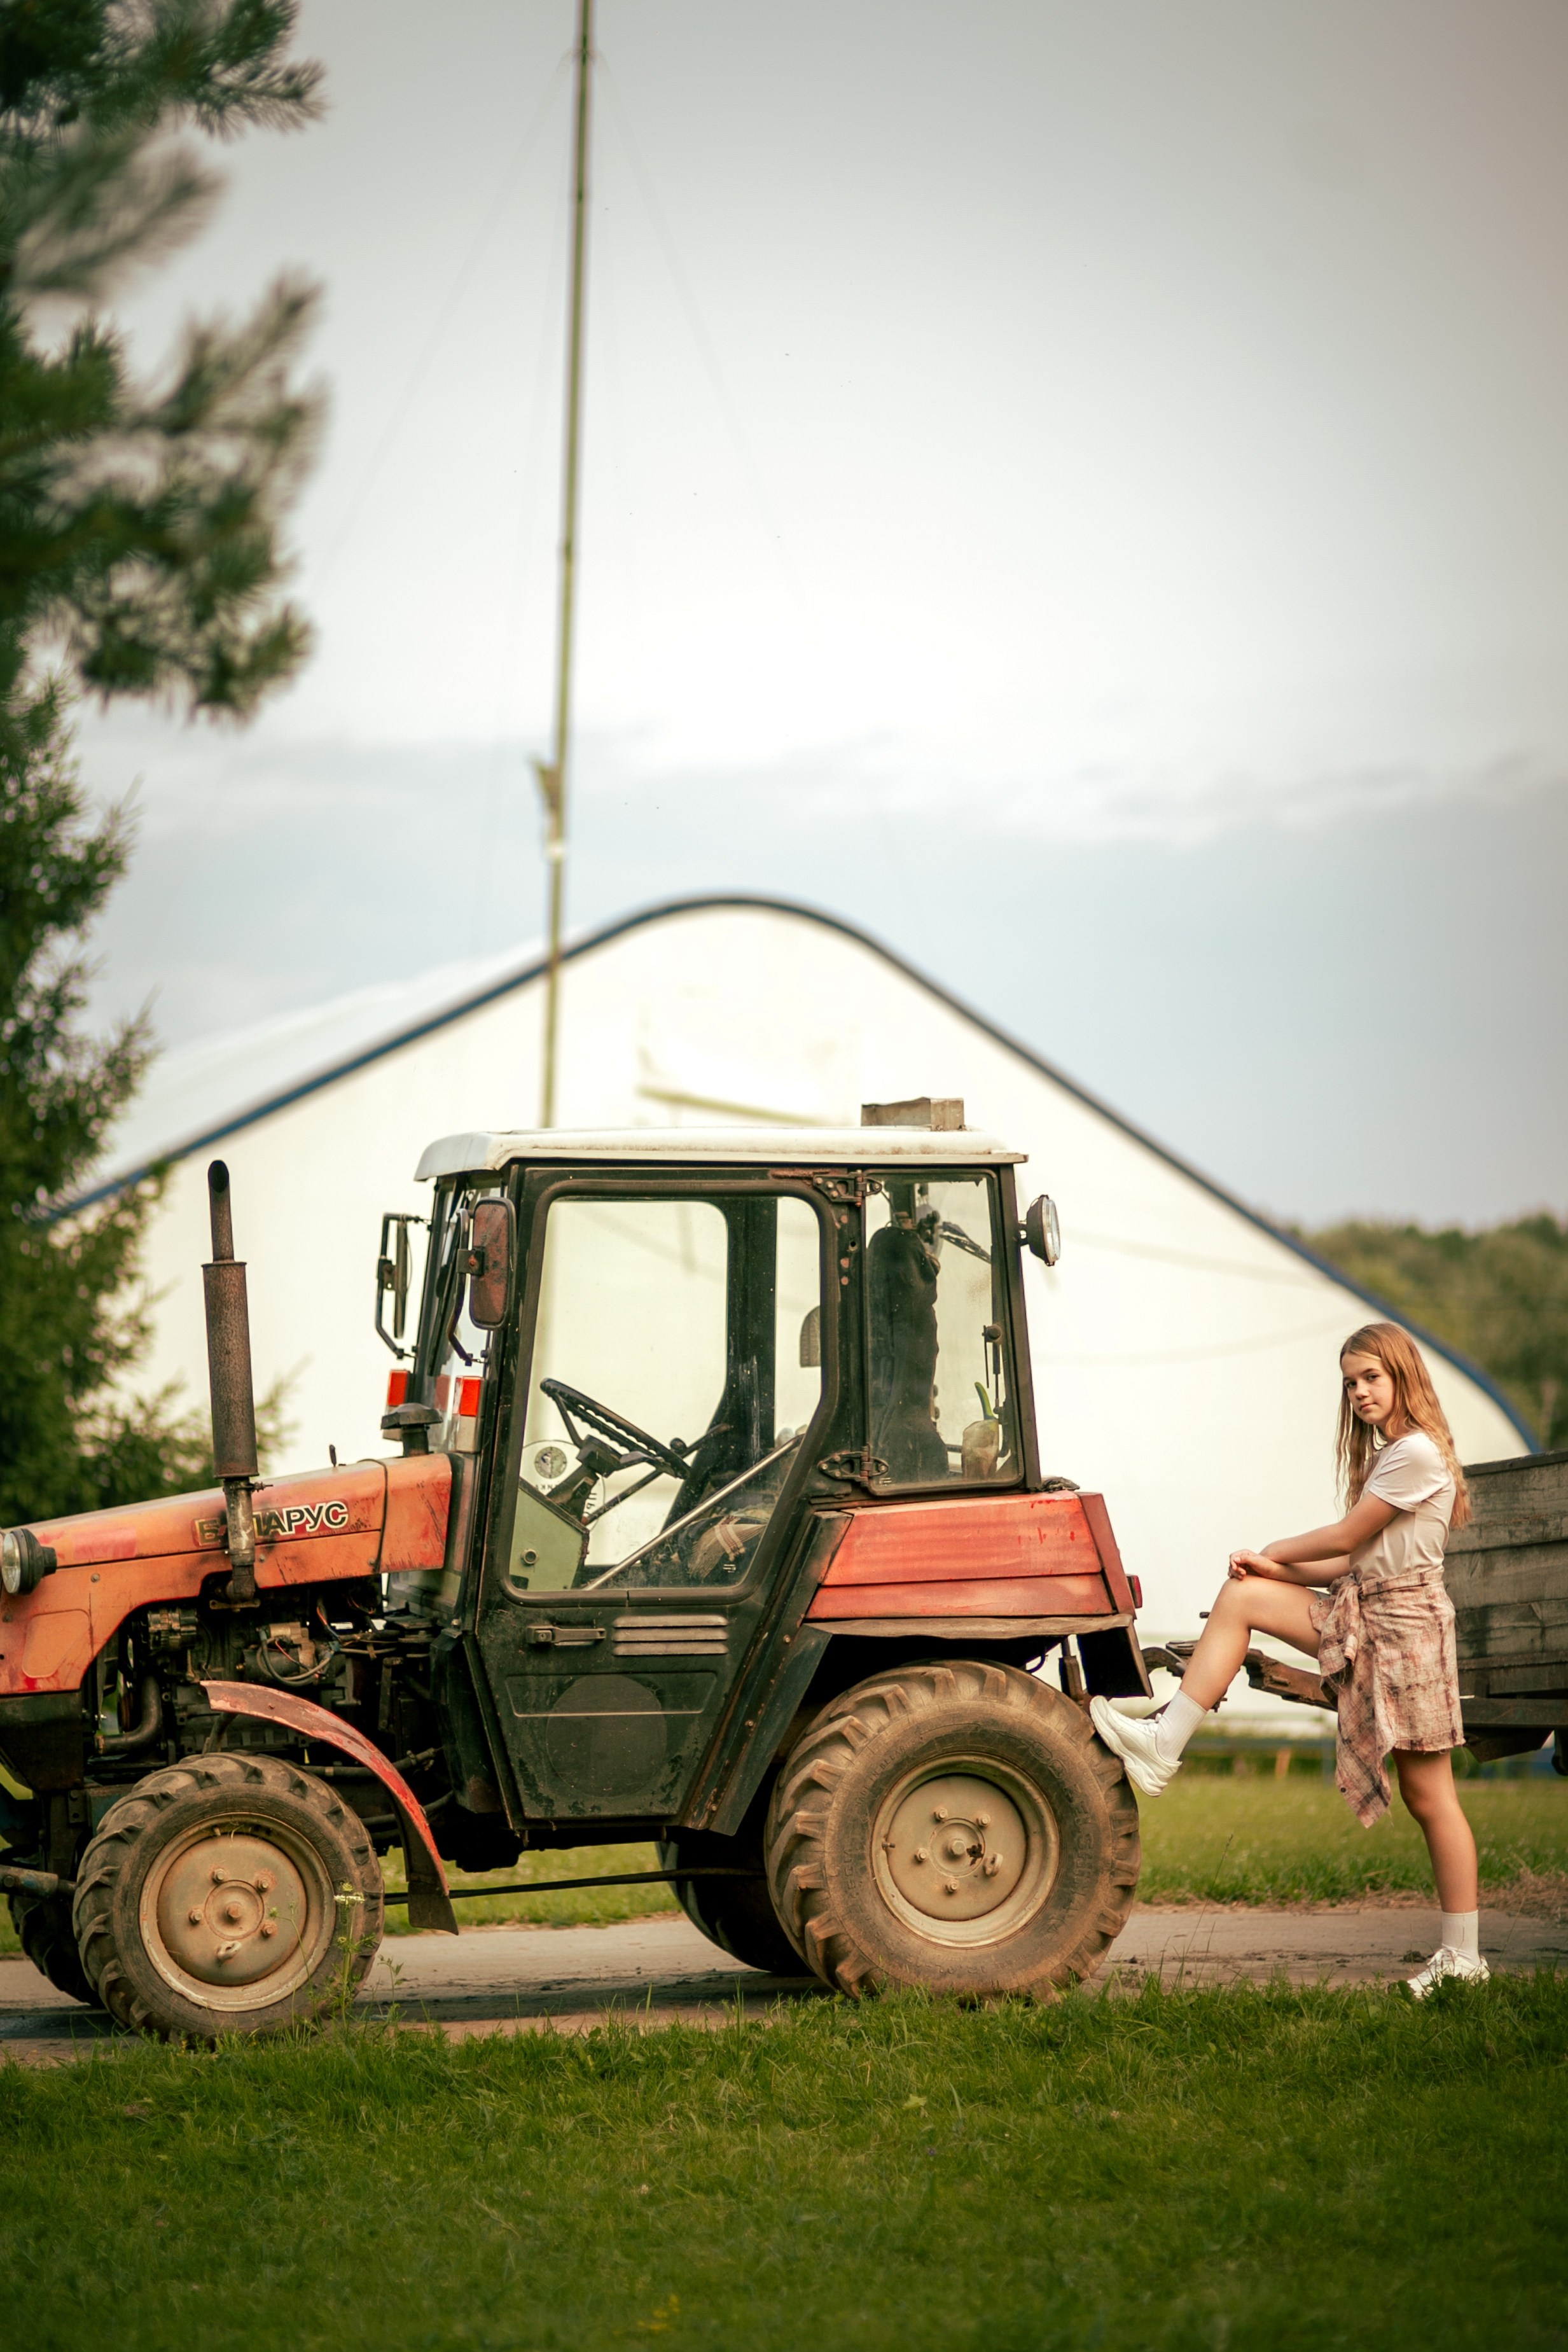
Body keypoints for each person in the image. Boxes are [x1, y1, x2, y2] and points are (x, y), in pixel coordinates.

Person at [1090, 1321, 1487, 1999]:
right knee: (1243, 1595)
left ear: (1401, 1377)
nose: (1359, 1392)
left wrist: (1271, 1547)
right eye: (1350, 1382)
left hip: (1403, 1630)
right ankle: (1164, 1742)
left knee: (1431, 1796)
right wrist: (1275, 1566)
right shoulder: (1394, 1455)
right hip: (1369, 1609)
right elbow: (1351, 1557)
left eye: (1370, 1378)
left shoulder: (1414, 1453)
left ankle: (1463, 1956)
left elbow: (1344, 1534)